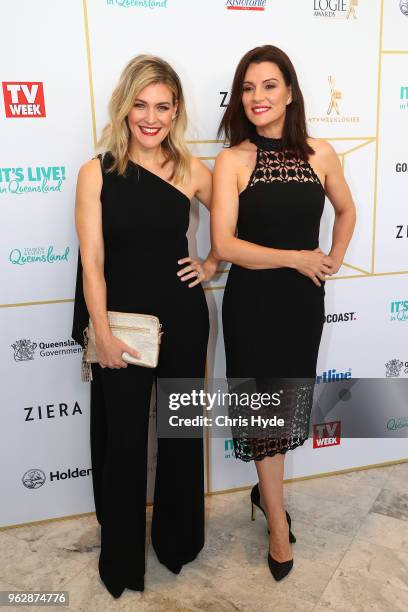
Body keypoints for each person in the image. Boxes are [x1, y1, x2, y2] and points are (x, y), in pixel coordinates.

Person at [71, 54, 217, 598]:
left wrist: (211, 262)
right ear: (125, 106)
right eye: (141, 104)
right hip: (122, 326)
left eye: (163, 106)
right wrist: (101, 332)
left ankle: (177, 543)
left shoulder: (189, 168)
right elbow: (91, 261)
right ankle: (122, 561)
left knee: (180, 435)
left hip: (183, 315)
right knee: (125, 441)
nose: (151, 117)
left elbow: (232, 219)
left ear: (176, 110)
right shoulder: (97, 171)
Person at [211, 45, 356, 581]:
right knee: (265, 418)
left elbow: (346, 209)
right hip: (252, 304)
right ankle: (276, 522)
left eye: (269, 86)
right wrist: (297, 257)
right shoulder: (232, 160)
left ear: (290, 92)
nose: (257, 98)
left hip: (301, 306)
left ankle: (264, 494)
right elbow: (224, 244)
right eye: (248, 88)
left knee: (287, 407)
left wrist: (333, 257)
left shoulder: (321, 153)